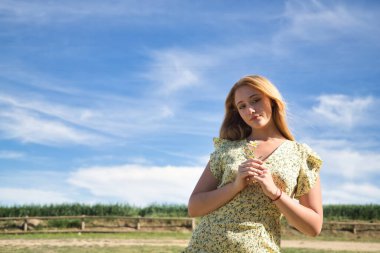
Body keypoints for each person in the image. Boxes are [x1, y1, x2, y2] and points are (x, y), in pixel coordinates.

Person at [184, 75, 323, 253]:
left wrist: (274, 192)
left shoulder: (301, 155)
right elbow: (194, 207)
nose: (250, 110)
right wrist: (235, 186)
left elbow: (313, 227)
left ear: (272, 101)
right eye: (242, 106)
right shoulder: (226, 150)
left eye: (255, 100)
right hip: (203, 247)